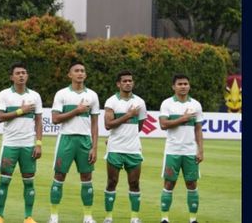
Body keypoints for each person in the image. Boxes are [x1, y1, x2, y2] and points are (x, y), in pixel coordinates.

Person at [48, 61, 100, 223]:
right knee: (59, 175)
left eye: (82, 71)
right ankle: (54, 216)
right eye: (76, 71)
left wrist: (94, 147)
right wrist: (76, 110)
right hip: (66, 138)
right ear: (70, 75)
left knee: (87, 177)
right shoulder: (62, 94)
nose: (80, 73)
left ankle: (88, 217)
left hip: (85, 141)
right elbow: (55, 119)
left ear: (85, 74)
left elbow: (95, 124)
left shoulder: (92, 95)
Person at [0, 62, 44, 223]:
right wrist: (21, 111)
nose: (21, 75)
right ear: (12, 77)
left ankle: (28, 217)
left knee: (29, 181)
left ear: (27, 76)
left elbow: (39, 121)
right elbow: (0, 117)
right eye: (18, 73)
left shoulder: (35, 96)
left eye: (24, 72)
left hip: (28, 145)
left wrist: (39, 143)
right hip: (10, 144)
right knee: (4, 180)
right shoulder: (4, 95)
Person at [102, 70, 147, 223]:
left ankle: (135, 218)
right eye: (124, 81)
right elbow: (108, 125)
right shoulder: (111, 101)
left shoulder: (140, 102)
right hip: (115, 149)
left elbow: (139, 126)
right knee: (111, 182)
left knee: (134, 183)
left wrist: (128, 130)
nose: (128, 83)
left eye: (130, 81)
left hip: (133, 149)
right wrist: (128, 115)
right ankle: (108, 218)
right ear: (118, 84)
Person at [158, 74, 204, 223]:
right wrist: (182, 119)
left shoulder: (196, 105)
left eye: (185, 84)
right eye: (180, 84)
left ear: (189, 86)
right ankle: (164, 218)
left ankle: (193, 219)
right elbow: (163, 124)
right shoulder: (167, 104)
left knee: (192, 183)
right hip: (172, 151)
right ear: (174, 87)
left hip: (190, 151)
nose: (183, 86)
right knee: (169, 183)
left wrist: (200, 150)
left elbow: (198, 129)